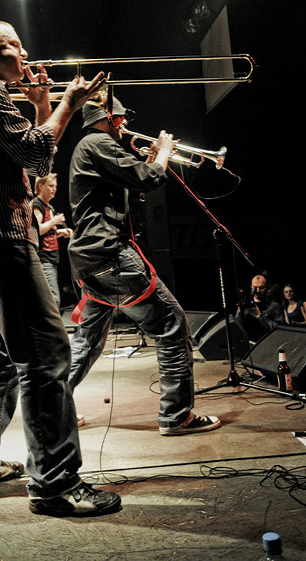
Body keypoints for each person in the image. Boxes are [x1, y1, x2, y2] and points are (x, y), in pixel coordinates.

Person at [0, 19, 121, 517]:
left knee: (3, 356)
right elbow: (34, 149)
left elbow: (35, 165)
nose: (25, 56)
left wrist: (45, 105)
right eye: (16, 47)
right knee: (46, 356)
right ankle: (55, 484)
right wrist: (70, 102)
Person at [67, 92, 221, 436]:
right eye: (122, 120)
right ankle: (176, 416)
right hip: (110, 254)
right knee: (171, 325)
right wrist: (164, 153)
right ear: (111, 119)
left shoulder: (91, 148)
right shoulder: (97, 142)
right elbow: (150, 179)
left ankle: (55, 409)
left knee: (87, 341)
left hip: (89, 258)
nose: (126, 126)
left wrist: (153, 160)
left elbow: (135, 188)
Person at [33, 173, 72, 310]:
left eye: (55, 186)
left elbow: (47, 233)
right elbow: (37, 230)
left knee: (51, 298)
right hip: (43, 258)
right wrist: (55, 221)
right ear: (40, 186)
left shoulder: (49, 207)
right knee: (53, 299)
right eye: (50, 186)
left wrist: (60, 232)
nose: (54, 189)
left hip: (51, 258)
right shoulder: (37, 205)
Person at [235, 273, 284, 342]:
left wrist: (259, 316)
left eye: (261, 288)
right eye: (255, 287)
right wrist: (240, 312)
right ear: (251, 287)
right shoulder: (245, 304)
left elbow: (279, 329)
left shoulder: (274, 306)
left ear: (267, 288)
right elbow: (236, 328)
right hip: (248, 344)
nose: (258, 291)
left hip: (267, 343)